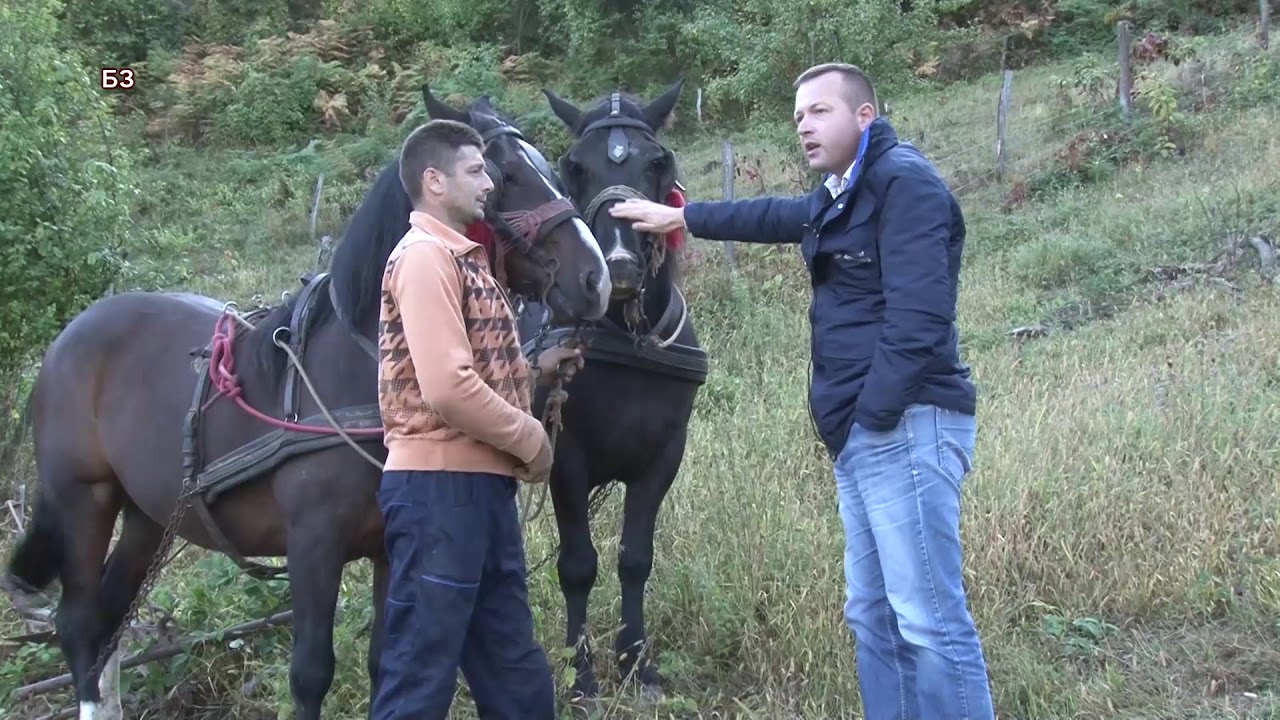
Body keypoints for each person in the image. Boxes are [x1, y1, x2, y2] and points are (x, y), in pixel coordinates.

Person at [609, 64, 994, 719]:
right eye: (797, 117)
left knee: (928, 619)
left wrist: (871, 417)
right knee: (873, 614)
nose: (804, 127)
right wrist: (679, 215)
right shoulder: (843, 192)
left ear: (865, 116)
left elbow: (918, 322)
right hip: (863, 435)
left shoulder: (904, 184)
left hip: (905, 425)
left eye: (819, 111)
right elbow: (774, 214)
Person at [371, 118, 583, 719]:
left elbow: (467, 368)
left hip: (475, 490)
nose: (489, 183)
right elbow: (447, 388)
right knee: (420, 677)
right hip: (439, 493)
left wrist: (533, 370)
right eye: (475, 171)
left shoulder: (463, 258)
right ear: (434, 181)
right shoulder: (425, 258)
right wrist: (530, 438)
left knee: (513, 669)